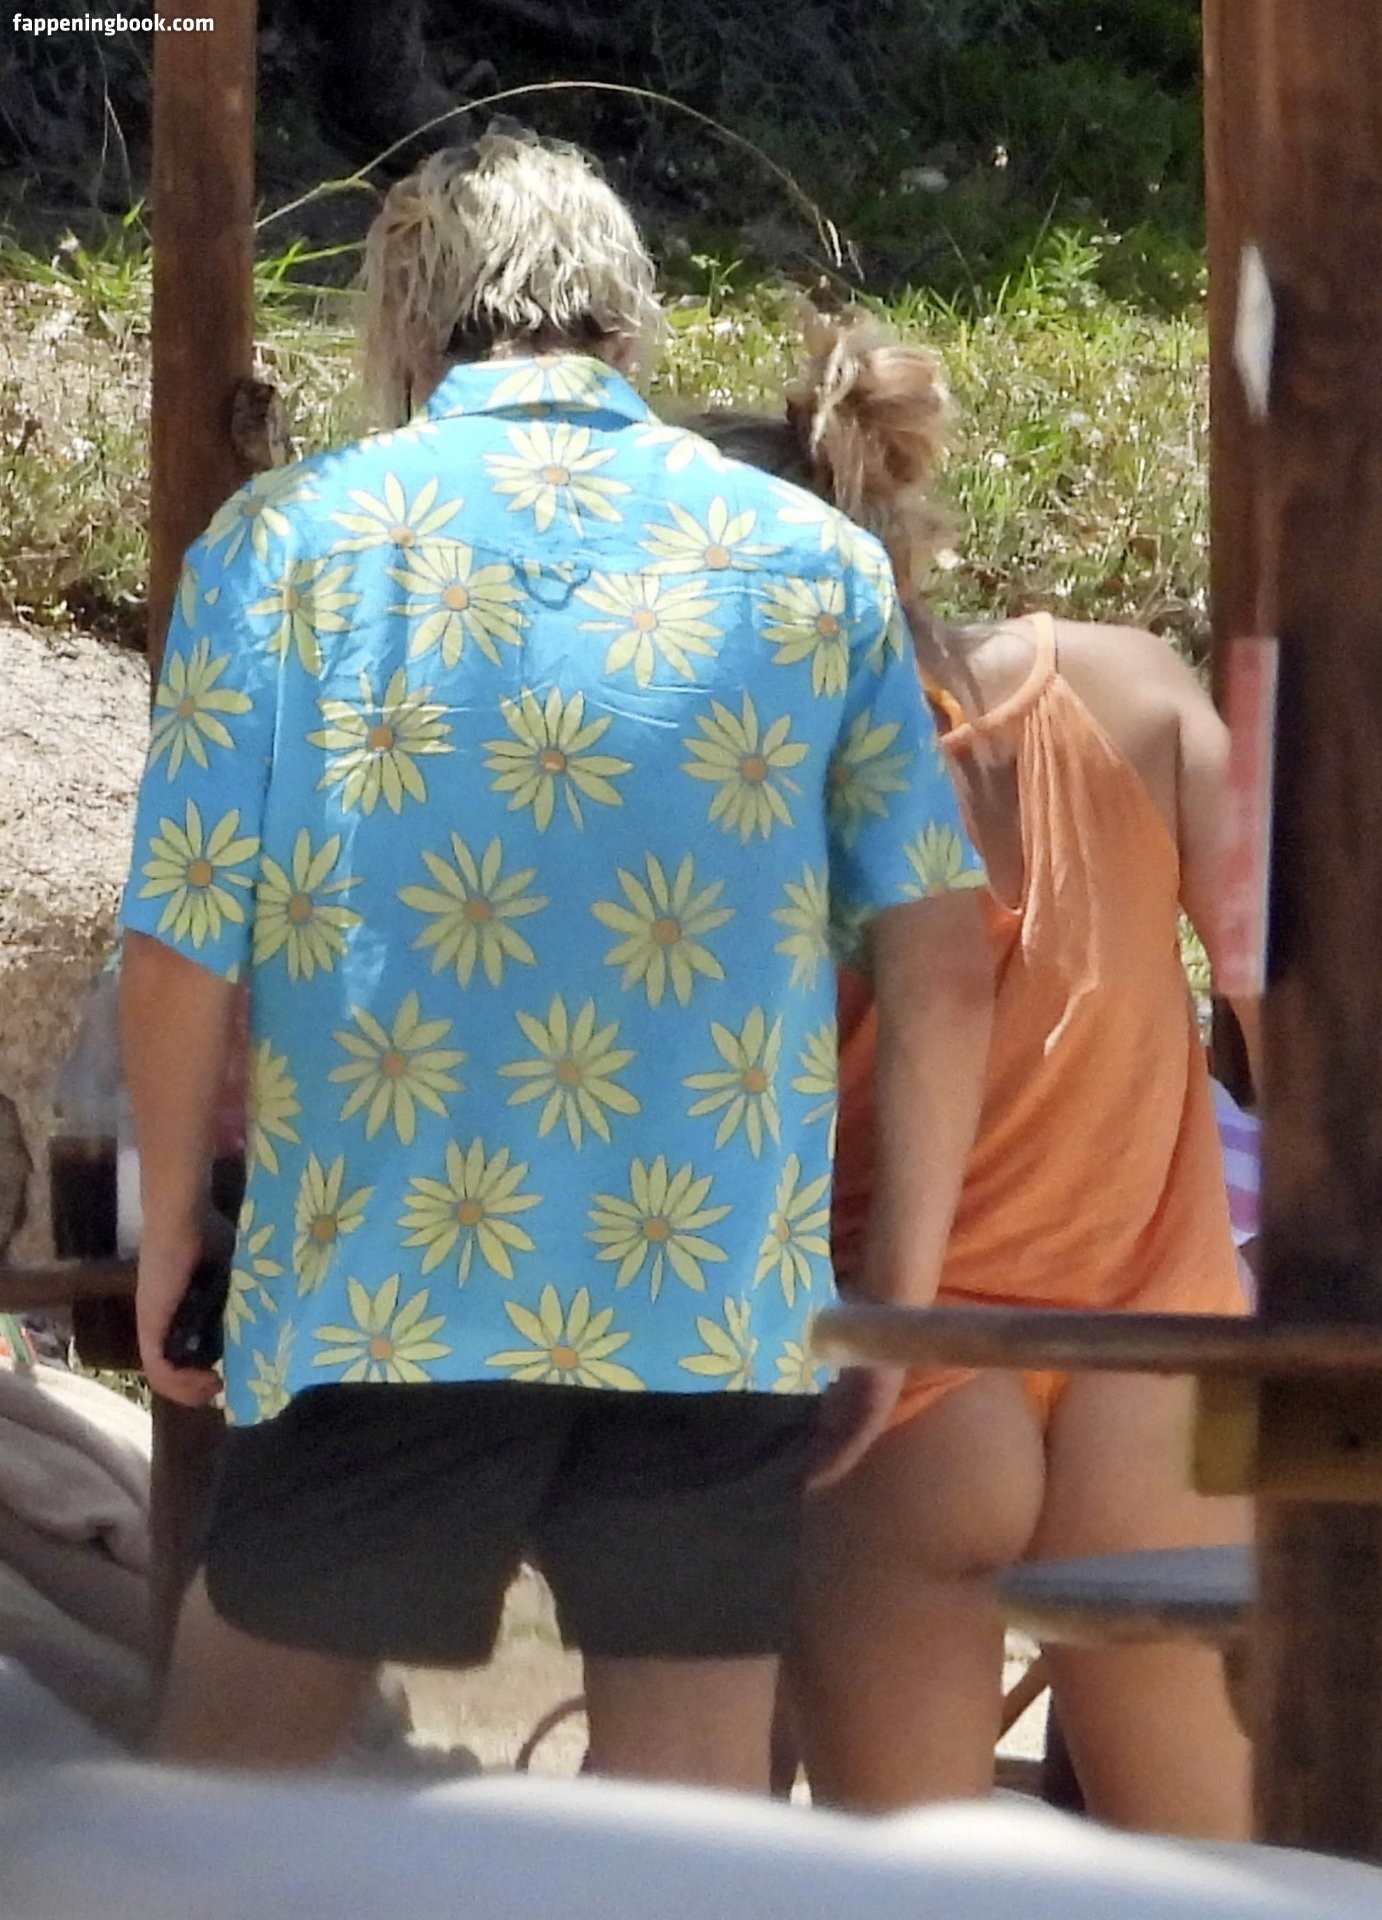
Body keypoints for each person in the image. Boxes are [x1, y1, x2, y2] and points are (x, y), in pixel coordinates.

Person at [117, 134, 994, 1785]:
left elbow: (179, 944)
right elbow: (943, 964)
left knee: (213, 1816)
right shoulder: (812, 558)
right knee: (677, 1838)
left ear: (401, 325)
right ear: (627, 321)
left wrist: (172, 1229)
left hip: (385, 1277)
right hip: (710, 1290)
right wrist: (898, 1296)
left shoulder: (285, 543)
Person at [689, 313, 1256, 1834]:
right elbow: (1287, 992)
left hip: (909, 1372)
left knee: (917, 1889)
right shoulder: (1135, 689)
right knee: (1218, 1880)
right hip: (1163, 1364)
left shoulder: (754, 796)